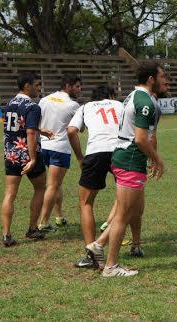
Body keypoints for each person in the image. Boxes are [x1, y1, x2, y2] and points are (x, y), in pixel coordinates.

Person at [86, 62, 167, 277]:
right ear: (151, 79)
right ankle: (111, 267)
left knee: (129, 211)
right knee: (123, 215)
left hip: (127, 158)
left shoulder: (136, 96)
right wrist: (157, 160)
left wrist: (151, 158)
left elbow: (148, 135)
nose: (166, 80)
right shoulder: (144, 101)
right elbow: (141, 139)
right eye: (163, 76)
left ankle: (98, 245)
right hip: (130, 159)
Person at [67, 85, 124, 268]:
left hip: (96, 153)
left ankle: (92, 253)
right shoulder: (119, 104)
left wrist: (79, 157)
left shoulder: (85, 107)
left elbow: (71, 131)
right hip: (120, 152)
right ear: (111, 95)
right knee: (127, 199)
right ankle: (135, 244)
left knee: (86, 203)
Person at [1, 72, 53, 246]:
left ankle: (6, 235)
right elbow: (29, 132)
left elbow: (21, 126)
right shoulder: (33, 106)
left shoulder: (9, 103)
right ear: (27, 86)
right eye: (37, 85)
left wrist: (41, 130)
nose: (39, 88)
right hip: (28, 154)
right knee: (40, 188)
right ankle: (32, 228)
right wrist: (32, 158)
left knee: (10, 194)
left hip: (11, 154)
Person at [37, 74, 81, 231]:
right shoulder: (73, 105)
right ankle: (43, 223)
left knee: (57, 184)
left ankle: (59, 216)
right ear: (68, 86)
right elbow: (79, 129)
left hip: (43, 146)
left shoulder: (45, 99)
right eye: (77, 86)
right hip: (60, 148)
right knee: (53, 185)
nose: (79, 90)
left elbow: (37, 121)